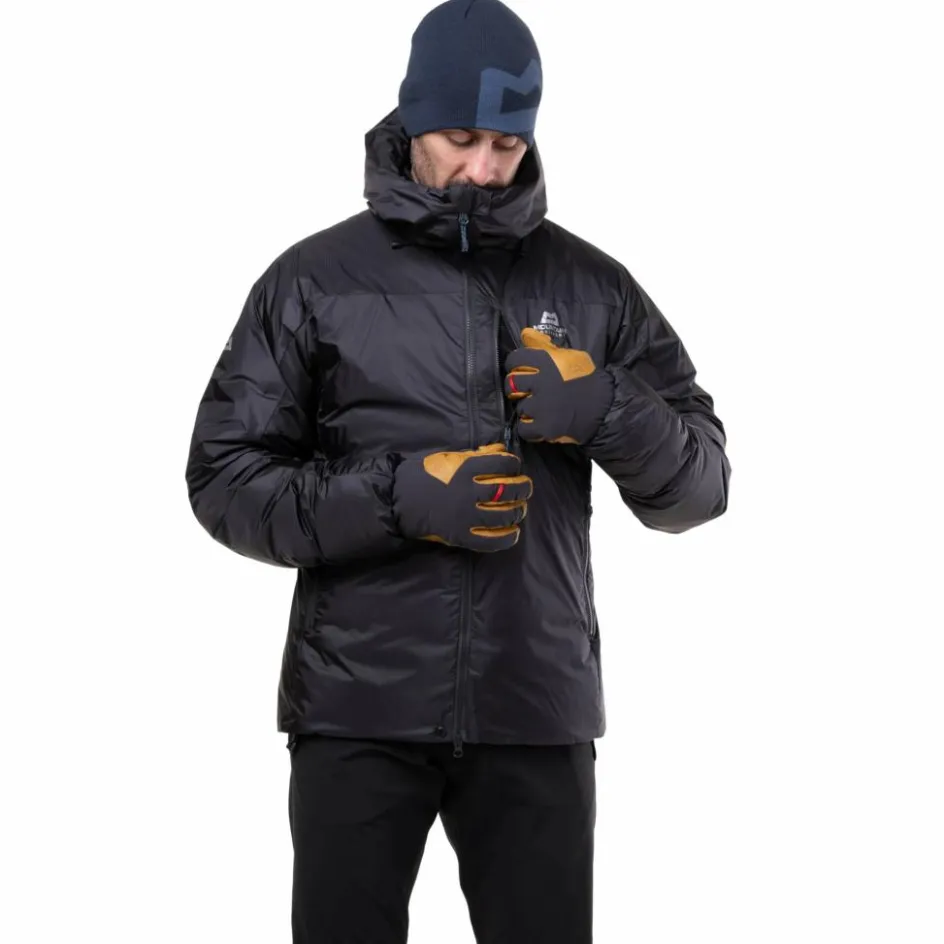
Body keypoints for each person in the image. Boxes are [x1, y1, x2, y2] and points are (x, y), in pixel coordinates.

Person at [185, 0, 730, 940]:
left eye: (506, 145)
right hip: (358, 707)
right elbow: (225, 480)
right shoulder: (313, 282)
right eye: (460, 139)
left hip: (536, 708)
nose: (482, 169)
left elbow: (702, 488)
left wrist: (604, 406)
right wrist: (399, 496)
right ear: (412, 124)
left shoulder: (594, 288)